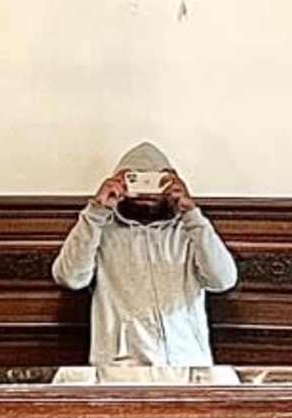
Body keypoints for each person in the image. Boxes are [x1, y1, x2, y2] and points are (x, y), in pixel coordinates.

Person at [52, 141, 239, 379]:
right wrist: (97, 211)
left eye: (156, 181)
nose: (147, 190)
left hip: (188, 370)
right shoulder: (101, 231)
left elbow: (223, 280)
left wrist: (191, 212)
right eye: (135, 180)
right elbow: (69, 277)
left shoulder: (189, 232)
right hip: (121, 373)